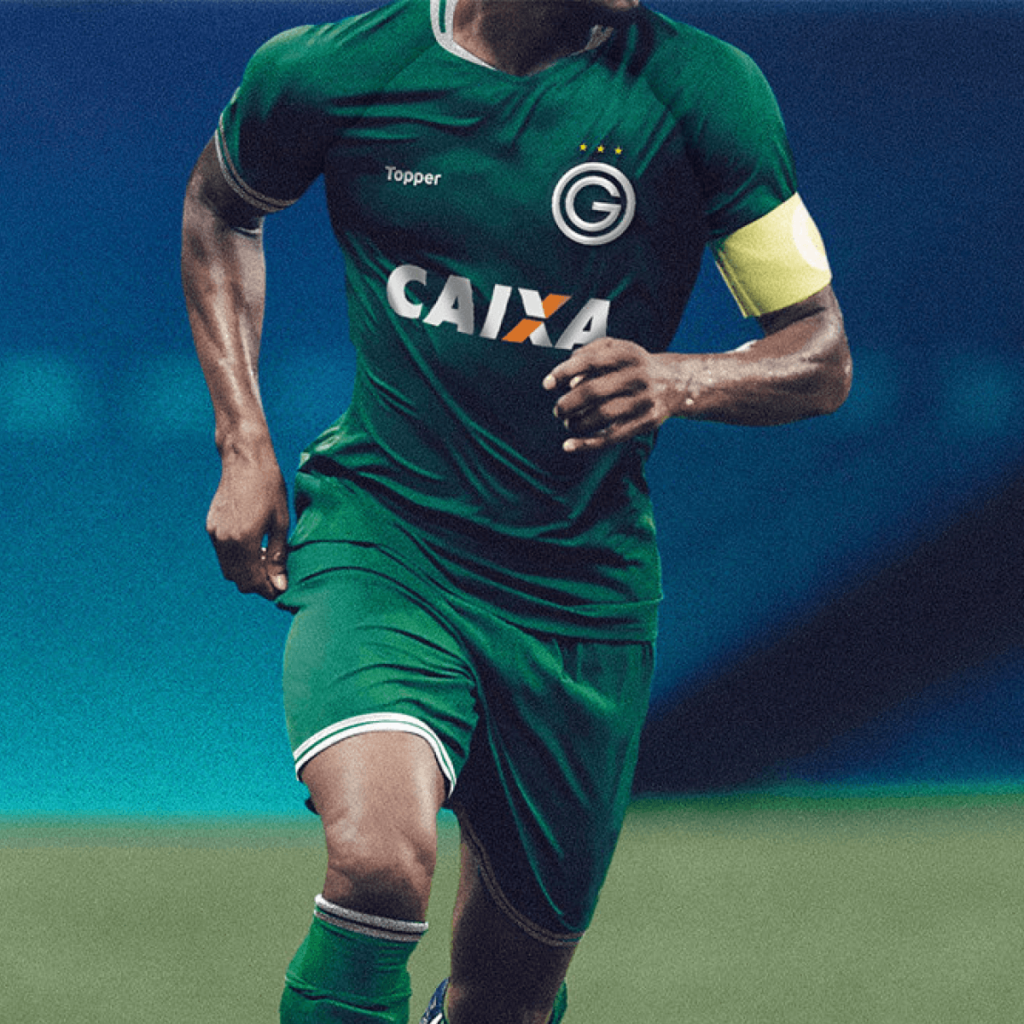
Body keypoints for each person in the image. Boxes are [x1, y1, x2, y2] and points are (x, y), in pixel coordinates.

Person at [181, 0, 851, 1021]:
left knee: (505, 999)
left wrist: (679, 378)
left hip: (579, 598)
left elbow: (818, 353)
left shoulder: (710, 93)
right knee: (378, 864)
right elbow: (221, 208)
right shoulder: (331, 72)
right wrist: (243, 443)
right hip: (387, 541)